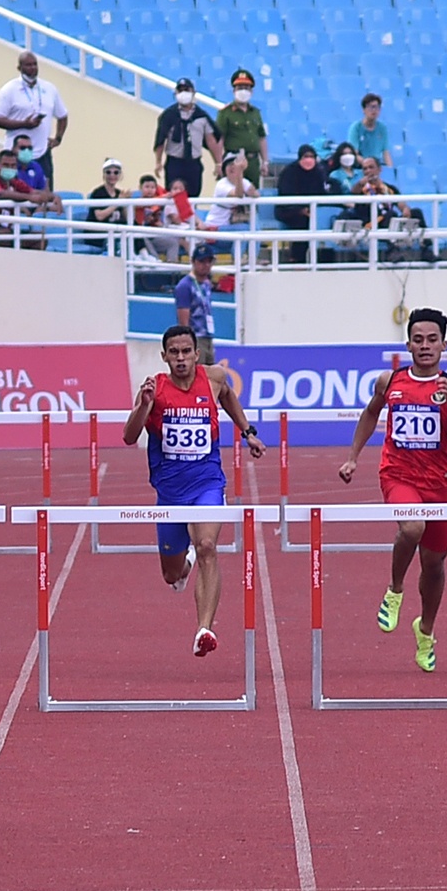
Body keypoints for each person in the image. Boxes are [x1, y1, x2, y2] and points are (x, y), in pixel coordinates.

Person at [338, 308, 447, 673]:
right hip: (398, 476)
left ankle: (426, 631)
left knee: (434, 564)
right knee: (410, 527)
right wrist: (353, 457)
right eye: (418, 339)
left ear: (445, 344)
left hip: (438, 485)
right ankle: (395, 590)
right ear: (408, 344)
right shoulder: (390, 380)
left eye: (432, 340)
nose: (425, 346)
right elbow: (370, 414)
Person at [121, 324, 264, 657]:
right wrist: (143, 406)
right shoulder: (154, 388)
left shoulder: (213, 378)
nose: (181, 358)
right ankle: (182, 568)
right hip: (170, 493)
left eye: (186, 351)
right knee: (170, 574)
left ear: (196, 354)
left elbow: (228, 395)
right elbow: (129, 437)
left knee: (208, 545)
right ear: (164, 356)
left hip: (207, 484)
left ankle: (204, 629)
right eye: (174, 352)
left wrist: (247, 431)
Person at [0, 52, 69, 187]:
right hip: (14, 155)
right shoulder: (9, 90)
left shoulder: (49, 88)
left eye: (35, 64)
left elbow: (63, 116)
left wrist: (58, 138)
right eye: (28, 65)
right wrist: (24, 124)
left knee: (45, 193)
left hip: (42, 151)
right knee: (13, 191)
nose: (32, 68)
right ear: (19, 68)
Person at [0, 148, 62, 248]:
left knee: (39, 239)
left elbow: (33, 191)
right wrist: (30, 198)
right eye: (5, 165)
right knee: (5, 236)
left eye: (13, 166)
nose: (9, 168)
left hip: (6, 229)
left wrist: (54, 197)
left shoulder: (13, 181)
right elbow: (0, 194)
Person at [152, 77, 222, 199]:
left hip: (193, 163)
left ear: (193, 92)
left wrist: (218, 162)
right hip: (175, 162)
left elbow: (211, 140)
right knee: (174, 198)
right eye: (181, 90)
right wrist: (158, 162)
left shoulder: (201, 116)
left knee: (193, 197)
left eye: (187, 89)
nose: (184, 93)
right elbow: (161, 139)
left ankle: (190, 218)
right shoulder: (169, 115)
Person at [275, 144, 329, 263]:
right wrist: (301, 209)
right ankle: (297, 258)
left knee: (325, 219)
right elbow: (286, 194)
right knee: (303, 222)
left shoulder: (319, 172)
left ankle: (325, 259)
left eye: (311, 156)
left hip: (314, 209)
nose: (309, 160)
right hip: (289, 209)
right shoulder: (289, 172)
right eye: (306, 156)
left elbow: (322, 192)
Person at [215, 69, 268, 186]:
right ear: (234, 91)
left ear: (251, 91)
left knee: (252, 195)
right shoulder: (226, 113)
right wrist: (218, 163)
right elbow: (219, 139)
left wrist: (265, 161)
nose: (243, 91)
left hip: (253, 161)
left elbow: (261, 138)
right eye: (240, 88)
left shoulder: (255, 112)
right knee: (234, 196)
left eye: (246, 88)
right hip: (233, 160)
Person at [173, 247, 217, 364]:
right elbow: (183, 319)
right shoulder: (185, 286)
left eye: (209, 261)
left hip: (207, 336)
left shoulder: (206, 284)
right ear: (193, 262)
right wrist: (188, 343)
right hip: (196, 338)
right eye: (202, 261)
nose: (206, 265)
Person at [347, 93, 393, 166]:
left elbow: (386, 152)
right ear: (364, 110)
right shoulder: (356, 128)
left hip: (377, 165)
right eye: (371, 107)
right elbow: (354, 153)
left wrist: (391, 169)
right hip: (361, 166)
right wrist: (368, 164)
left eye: (377, 107)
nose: (374, 110)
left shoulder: (382, 128)